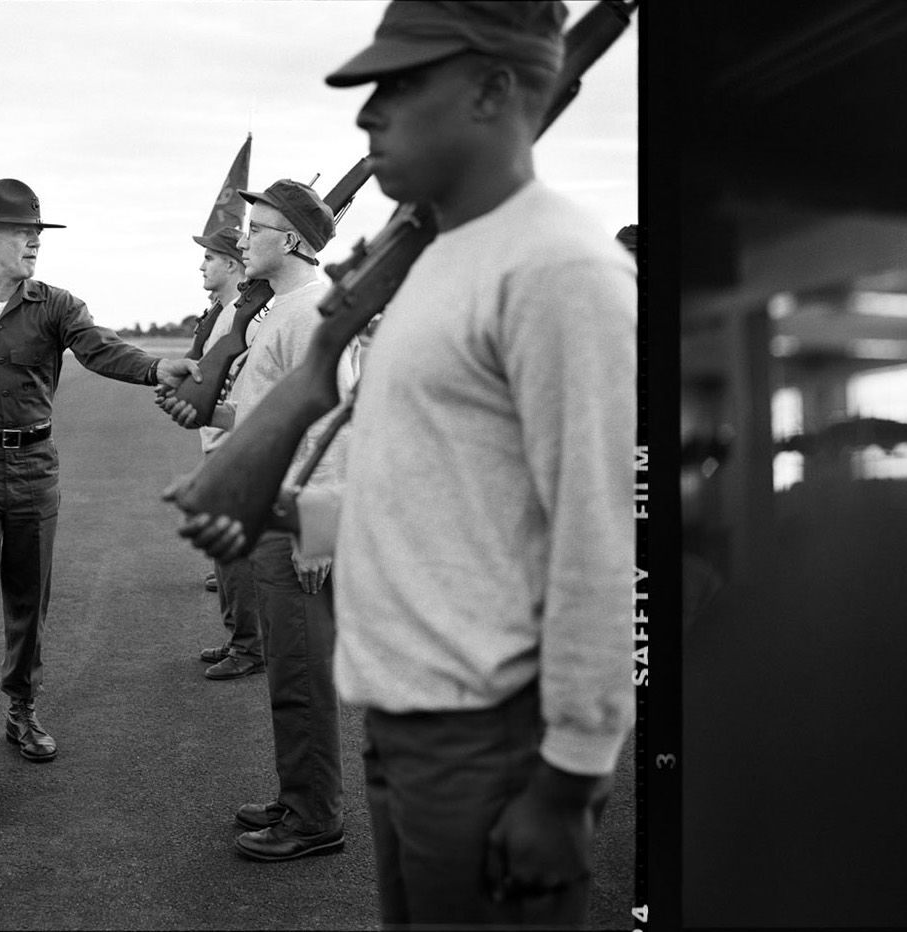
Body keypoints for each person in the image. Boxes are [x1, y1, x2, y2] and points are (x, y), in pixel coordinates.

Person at [177, 3, 634, 924]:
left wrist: (571, 778)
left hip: (488, 740)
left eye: (402, 84)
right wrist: (294, 515)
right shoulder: (440, 262)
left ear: (498, 91)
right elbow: (445, 492)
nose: (368, 113)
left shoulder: (555, 270)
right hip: (409, 714)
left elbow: (595, 541)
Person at [0, 178, 201, 811]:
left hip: (34, 466)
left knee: (29, 600)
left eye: (38, 232)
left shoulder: (56, 305)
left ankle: (21, 708)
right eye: (21, 232)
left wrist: (154, 368)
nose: (34, 240)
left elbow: (100, 348)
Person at [160, 178, 358, 861]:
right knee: (289, 674)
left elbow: (332, 430)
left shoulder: (311, 314)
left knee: (302, 676)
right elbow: (259, 417)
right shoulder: (279, 312)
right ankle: (299, 796)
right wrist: (196, 407)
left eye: (258, 228)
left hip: (299, 521)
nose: (244, 240)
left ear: (295, 240)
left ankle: (315, 820)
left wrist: (318, 537)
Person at [179, 226, 270, 680]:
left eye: (210, 258)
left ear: (232, 264)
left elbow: (247, 385)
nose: (202, 265)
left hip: (234, 441)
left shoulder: (251, 316)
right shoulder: (223, 313)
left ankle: (249, 648)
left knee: (235, 553)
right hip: (218, 439)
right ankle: (239, 636)